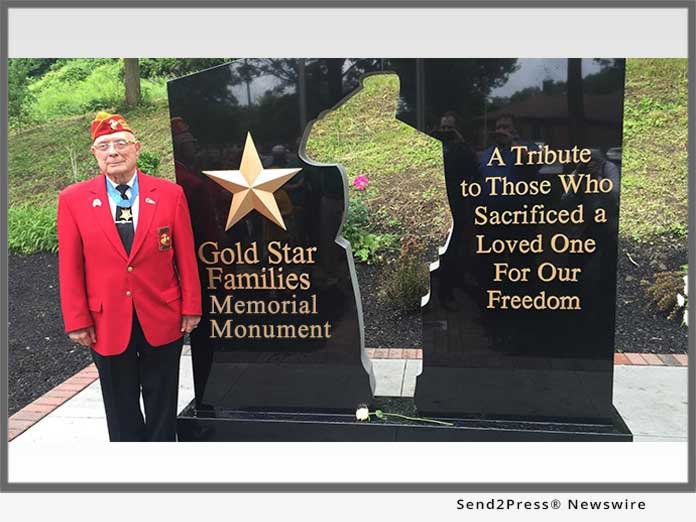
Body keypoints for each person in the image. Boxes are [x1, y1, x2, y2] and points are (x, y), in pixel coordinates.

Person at [57, 111, 202, 442]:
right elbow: (70, 266)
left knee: (162, 400)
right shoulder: (73, 200)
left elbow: (185, 255)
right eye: (103, 146)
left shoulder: (169, 194)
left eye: (120, 143)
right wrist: (77, 319)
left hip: (162, 314)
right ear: (94, 154)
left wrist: (191, 305)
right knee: (120, 406)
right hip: (106, 319)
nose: (113, 152)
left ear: (136, 148)